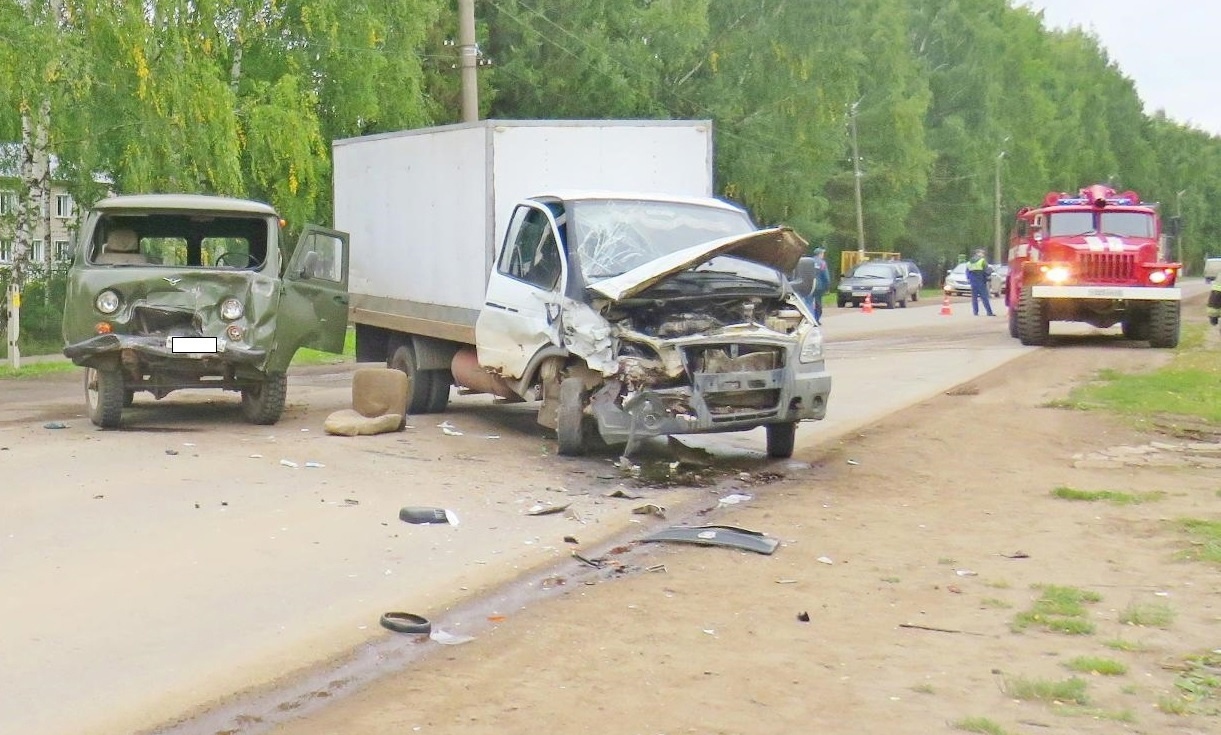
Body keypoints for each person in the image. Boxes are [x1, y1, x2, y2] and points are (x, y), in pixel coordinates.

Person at [793, 247, 830, 322]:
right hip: (819, 286)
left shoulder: (808, 261)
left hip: (807, 284)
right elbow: (826, 276)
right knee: (818, 303)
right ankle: (815, 319)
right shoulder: (822, 263)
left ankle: (807, 317)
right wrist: (827, 286)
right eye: (823, 253)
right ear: (820, 254)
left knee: (807, 301)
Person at [964, 249, 995, 316]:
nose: (983, 254)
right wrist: (991, 271)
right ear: (978, 253)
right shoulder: (982, 261)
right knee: (984, 297)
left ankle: (975, 312)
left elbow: (967, 272)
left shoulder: (969, 262)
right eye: (982, 253)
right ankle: (989, 312)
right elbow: (986, 271)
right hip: (980, 281)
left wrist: (969, 279)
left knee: (974, 298)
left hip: (973, 282)